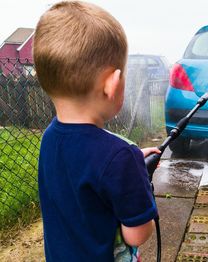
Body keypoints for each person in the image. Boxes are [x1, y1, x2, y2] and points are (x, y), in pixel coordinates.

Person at [33, 1, 160, 261]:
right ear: (112, 85)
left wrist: (132, 162)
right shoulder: (119, 157)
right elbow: (136, 235)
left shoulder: (49, 138)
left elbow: (84, 176)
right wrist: (137, 179)